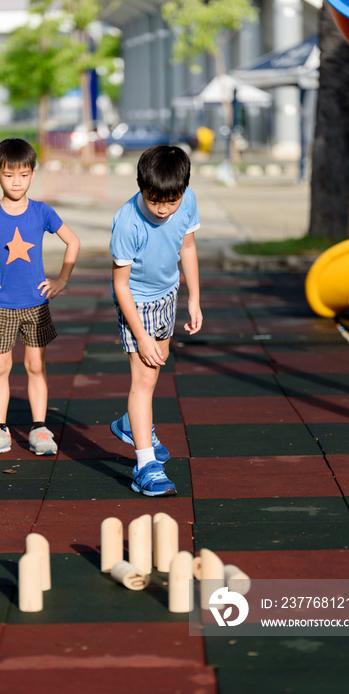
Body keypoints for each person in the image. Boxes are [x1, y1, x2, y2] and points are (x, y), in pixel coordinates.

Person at [0, 137, 80, 456]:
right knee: (0, 367)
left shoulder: (42, 212)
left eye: (23, 174)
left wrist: (62, 280)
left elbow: (73, 242)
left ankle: (39, 428)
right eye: (9, 175)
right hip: (0, 306)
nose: (16, 181)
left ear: (33, 174)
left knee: (35, 365)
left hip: (36, 304)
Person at [109, 145, 202, 497]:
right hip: (136, 302)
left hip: (168, 294)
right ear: (140, 186)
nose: (164, 209)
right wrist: (141, 335)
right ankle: (146, 466)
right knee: (143, 380)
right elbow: (119, 284)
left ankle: (131, 425)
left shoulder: (187, 200)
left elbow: (187, 247)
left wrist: (194, 297)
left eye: (171, 200)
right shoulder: (128, 222)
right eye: (154, 201)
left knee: (154, 372)